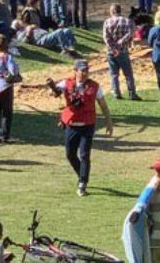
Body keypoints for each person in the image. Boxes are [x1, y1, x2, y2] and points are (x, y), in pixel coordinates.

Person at [47, 60, 113, 196]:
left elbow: (102, 104)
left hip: (87, 125)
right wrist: (52, 91)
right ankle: (82, 174)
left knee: (84, 155)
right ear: (75, 71)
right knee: (70, 155)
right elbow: (53, 92)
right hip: (71, 124)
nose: (84, 73)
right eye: (81, 70)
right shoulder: (66, 83)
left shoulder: (94, 86)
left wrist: (108, 121)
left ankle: (82, 182)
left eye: (86, 71)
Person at [103, 3, 140, 101]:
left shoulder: (107, 22)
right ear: (120, 11)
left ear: (112, 11)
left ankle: (116, 92)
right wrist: (120, 43)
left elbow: (106, 37)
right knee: (128, 74)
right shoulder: (128, 21)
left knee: (114, 74)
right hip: (123, 50)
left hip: (111, 51)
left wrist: (113, 47)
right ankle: (132, 93)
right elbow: (130, 33)